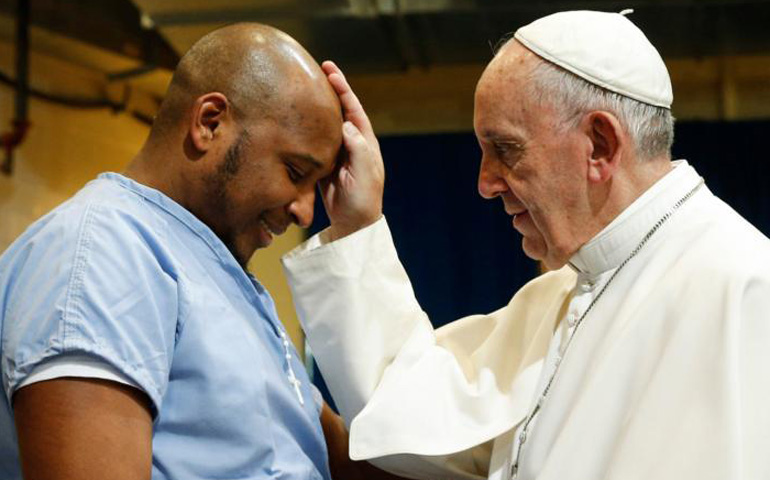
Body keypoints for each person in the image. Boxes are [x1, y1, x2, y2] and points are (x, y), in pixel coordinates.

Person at [283, 10, 770, 480]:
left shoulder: (742, 286)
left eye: (505, 149)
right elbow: (416, 415)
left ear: (600, 144)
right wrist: (356, 223)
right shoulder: (568, 291)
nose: (485, 183)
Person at [0, 23, 403, 480]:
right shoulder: (100, 252)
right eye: (295, 171)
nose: (306, 212)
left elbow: (341, 458)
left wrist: (361, 226)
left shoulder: (224, 280)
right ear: (209, 123)